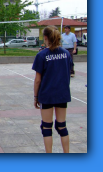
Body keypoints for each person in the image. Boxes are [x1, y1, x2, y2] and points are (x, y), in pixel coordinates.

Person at [32, 25, 73, 153]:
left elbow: (38, 80)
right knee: (62, 126)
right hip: (62, 94)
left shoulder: (42, 55)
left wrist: (35, 97)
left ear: (45, 38)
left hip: (47, 95)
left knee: (46, 127)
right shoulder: (66, 53)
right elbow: (68, 72)